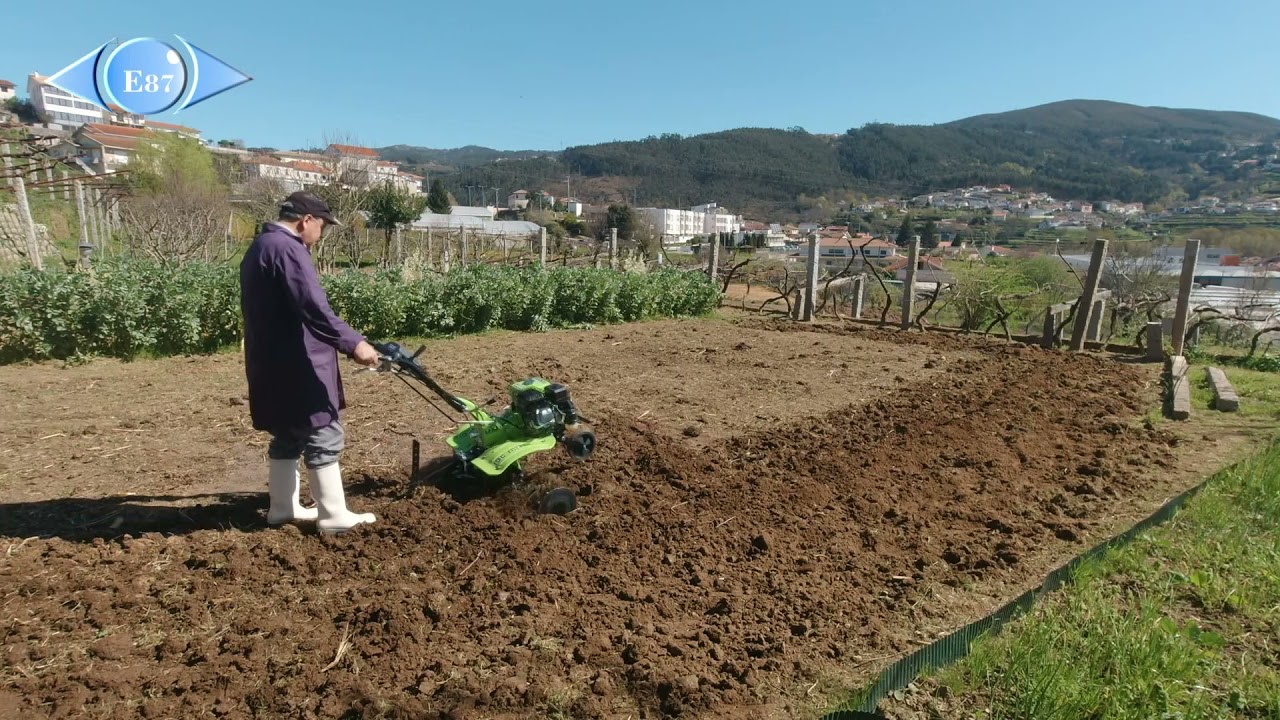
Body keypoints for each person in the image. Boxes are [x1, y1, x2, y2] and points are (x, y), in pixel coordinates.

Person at [239, 191, 380, 535]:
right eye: (323, 226)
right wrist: (355, 343)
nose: (323, 234)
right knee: (324, 429)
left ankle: (283, 508)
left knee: (288, 432)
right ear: (307, 221)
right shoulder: (287, 249)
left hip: (273, 359)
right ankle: (333, 516)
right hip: (298, 361)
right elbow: (314, 308)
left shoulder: (261, 245)